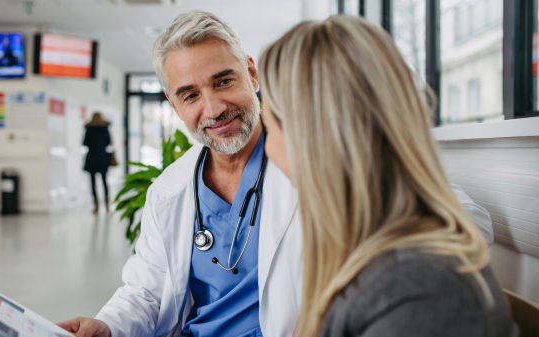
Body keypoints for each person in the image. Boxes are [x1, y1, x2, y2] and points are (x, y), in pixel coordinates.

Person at [58, 11, 495, 337]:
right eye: (191, 95)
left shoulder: (315, 158)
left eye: (224, 81)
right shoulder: (169, 190)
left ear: (251, 74)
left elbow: (462, 223)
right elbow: (147, 290)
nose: (213, 109)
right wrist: (108, 325)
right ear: (174, 105)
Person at [258, 15, 518, 337]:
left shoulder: (420, 292)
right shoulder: (370, 253)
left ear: (312, 141)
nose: (266, 148)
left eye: (268, 129)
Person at [83, 112, 111, 214]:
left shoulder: (89, 129)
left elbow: (85, 142)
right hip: (102, 157)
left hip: (91, 158)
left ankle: (96, 206)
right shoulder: (105, 128)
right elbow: (108, 142)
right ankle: (107, 205)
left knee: (93, 183)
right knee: (104, 182)